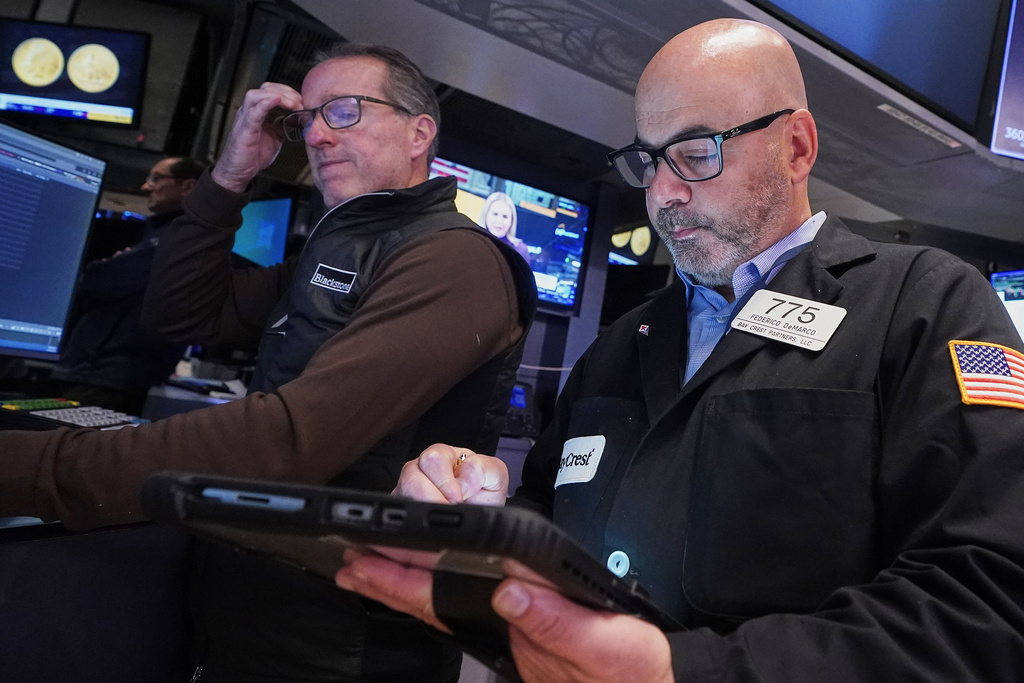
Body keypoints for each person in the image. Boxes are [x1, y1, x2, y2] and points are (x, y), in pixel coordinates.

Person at [334, 18, 1024, 682]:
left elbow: (991, 599)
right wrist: (473, 527)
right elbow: (545, 536)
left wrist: (684, 672)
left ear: (797, 148)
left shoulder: (924, 304)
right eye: (648, 160)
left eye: (696, 153)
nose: (663, 192)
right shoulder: (617, 347)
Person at [0, 42, 536, 682]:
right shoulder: (337, 249)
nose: (316, 135)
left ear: (420, 131)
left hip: (339, 642)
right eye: (305, 119)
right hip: (247, 604)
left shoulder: (455, 261)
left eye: (342, 111)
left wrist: (30, 468)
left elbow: (288, 441)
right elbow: (178, 313)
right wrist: (228, 178)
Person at [46, 157, 202, 415]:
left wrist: (105, 265)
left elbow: (96, 280)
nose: (145, 186)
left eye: (156, 178)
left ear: (187, 187)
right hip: (105, 376)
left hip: (104, 378)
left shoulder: (177, 237)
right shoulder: (166, 235)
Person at [480, 191, 530, 261]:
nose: (499, 221)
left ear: (512, 221)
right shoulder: (473, 241)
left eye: (505, 216)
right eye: (495, 214)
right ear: (486, 215)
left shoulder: (521, 251)